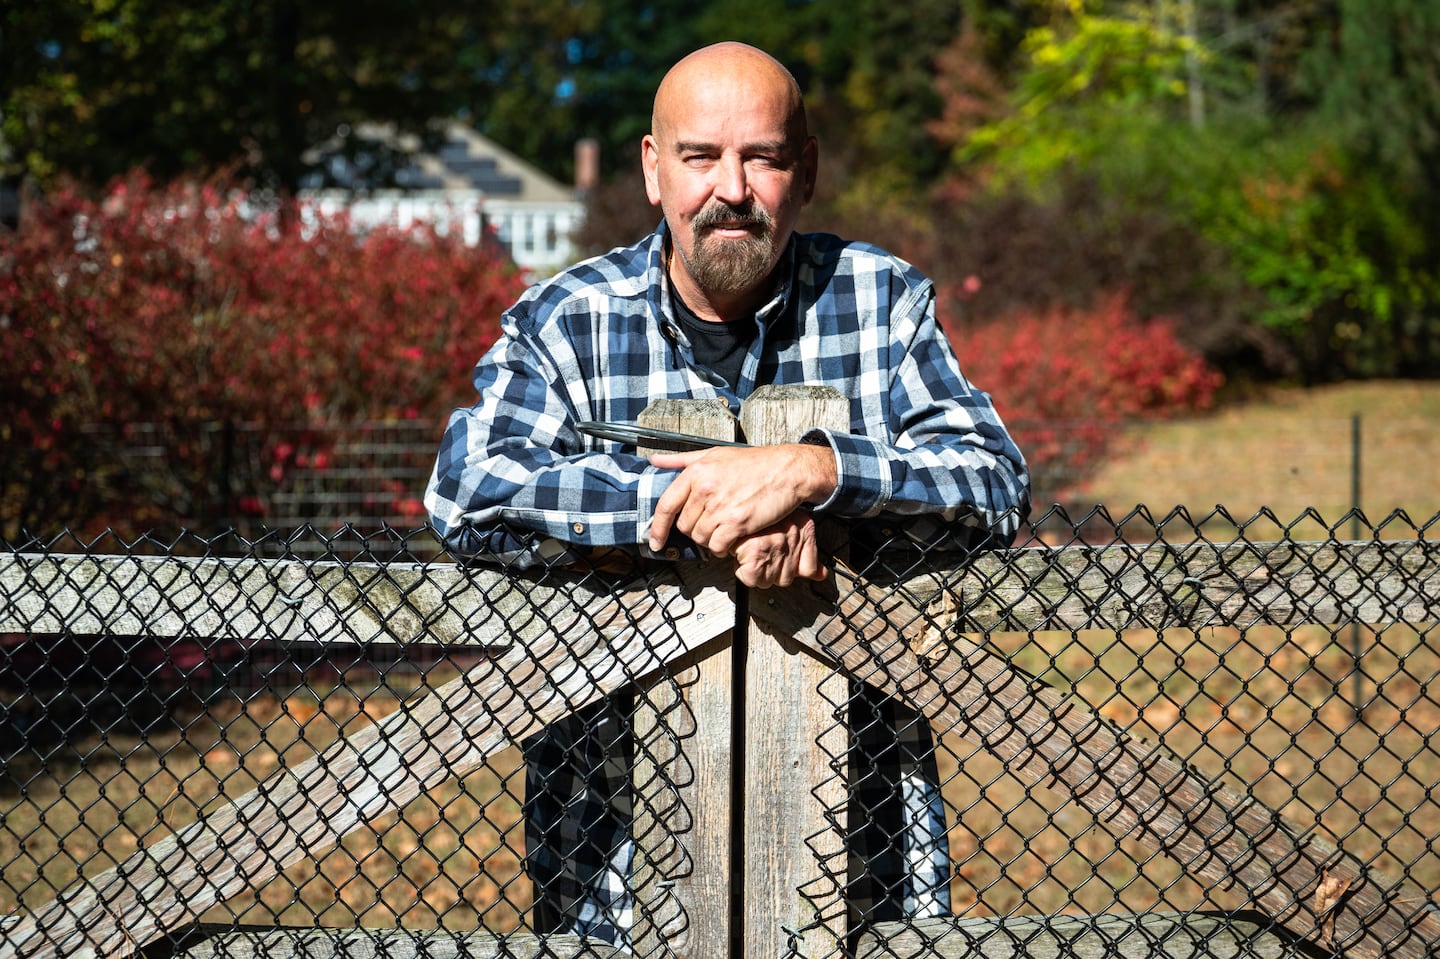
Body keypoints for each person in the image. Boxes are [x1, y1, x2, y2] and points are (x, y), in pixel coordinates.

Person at [425, 42, 1029, 944]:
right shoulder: (568, 320)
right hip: (613, 829)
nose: (732, 188)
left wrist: (817, 475)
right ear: (652, 168)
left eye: (764, 158)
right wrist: (683, 511)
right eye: (701, 156)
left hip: (856, 823)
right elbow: (467, 489)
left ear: (807, 170)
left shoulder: (881, 300)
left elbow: (993, 475)